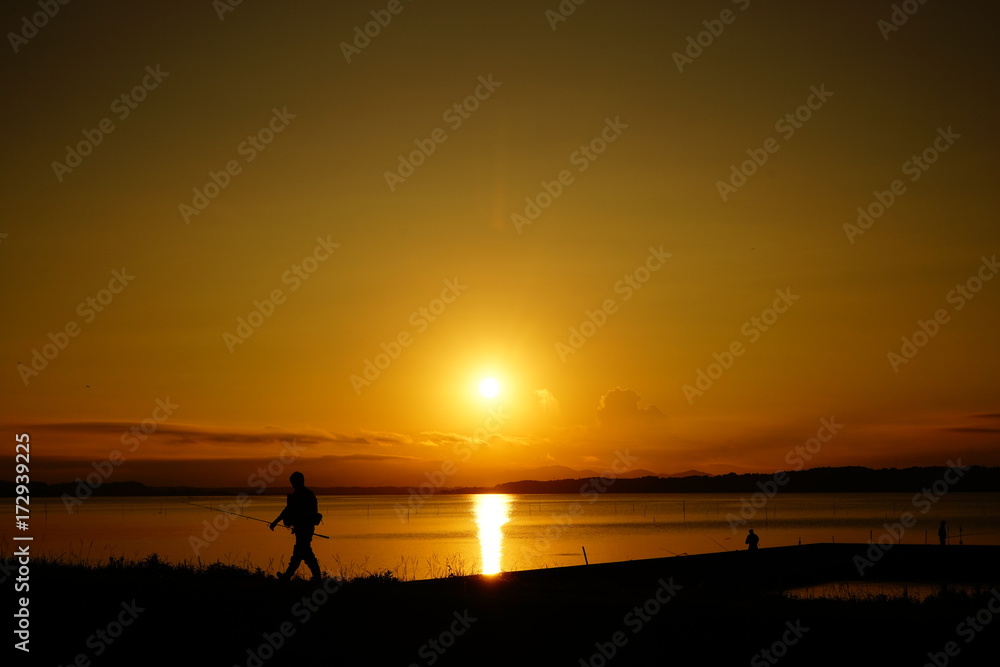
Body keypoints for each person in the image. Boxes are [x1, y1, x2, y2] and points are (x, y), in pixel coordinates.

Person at [270, 471, 322, 581]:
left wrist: (275, 522)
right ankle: (314, 578)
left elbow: (288, 510)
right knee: (303, 553)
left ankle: (289, 577)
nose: (292, 484)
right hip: (305, 528)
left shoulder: (300, 494)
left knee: (302, 553)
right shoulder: (309, 493)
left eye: (293, 482)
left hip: (304, 529)